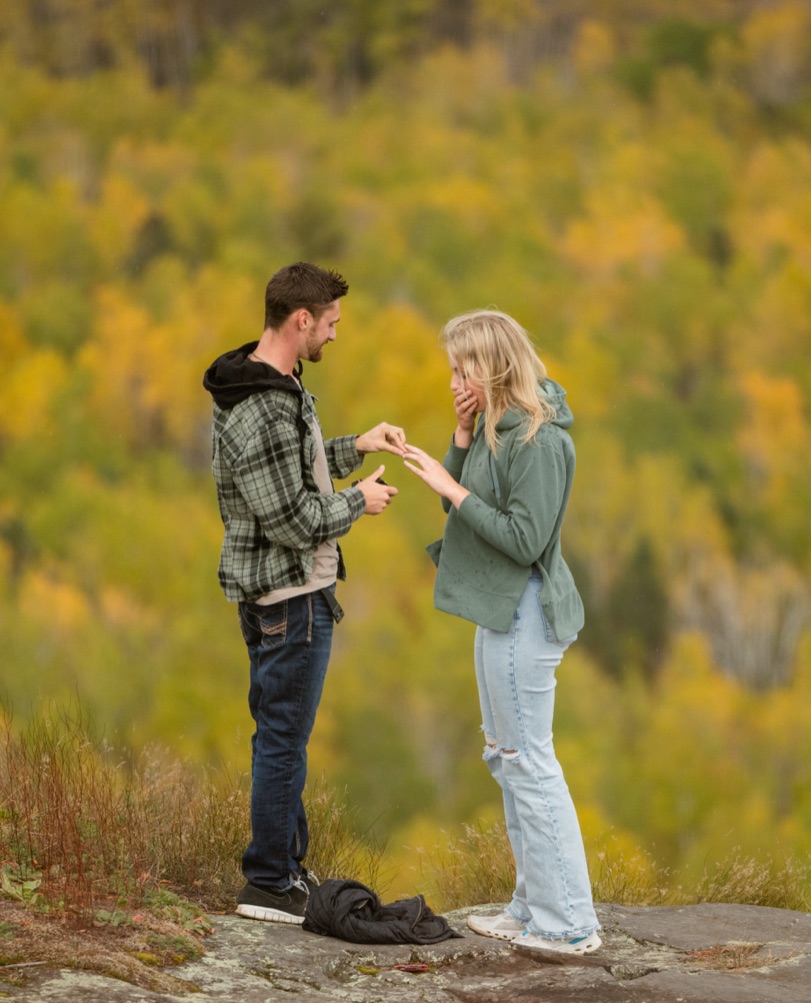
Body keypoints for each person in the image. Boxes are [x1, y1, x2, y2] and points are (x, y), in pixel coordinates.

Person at [202, 262, 406, 924]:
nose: (335, 335)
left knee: (284, 733)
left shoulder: (281, 384)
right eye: (331, 323)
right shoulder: (257, 407)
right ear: (301, 320)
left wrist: (358, 445)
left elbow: (301, 467)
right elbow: (289, 519)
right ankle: (268, 881)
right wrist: (360, 502)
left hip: (300, 594)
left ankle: (286, 866)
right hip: (289, 598)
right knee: (283, 738)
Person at [400, 309, 601, 955]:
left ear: (496, 365)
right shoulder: (494, 428)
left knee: (529, 763)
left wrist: (453, 490)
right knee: (506, 758)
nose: (456, 379)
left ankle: (568, 922)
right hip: (498, 611)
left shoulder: (539, 440)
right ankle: (530, 905)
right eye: (453, 369)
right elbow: (459, 503)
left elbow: (522, 538)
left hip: (526, 611)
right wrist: (459, 437)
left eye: (465, 368)